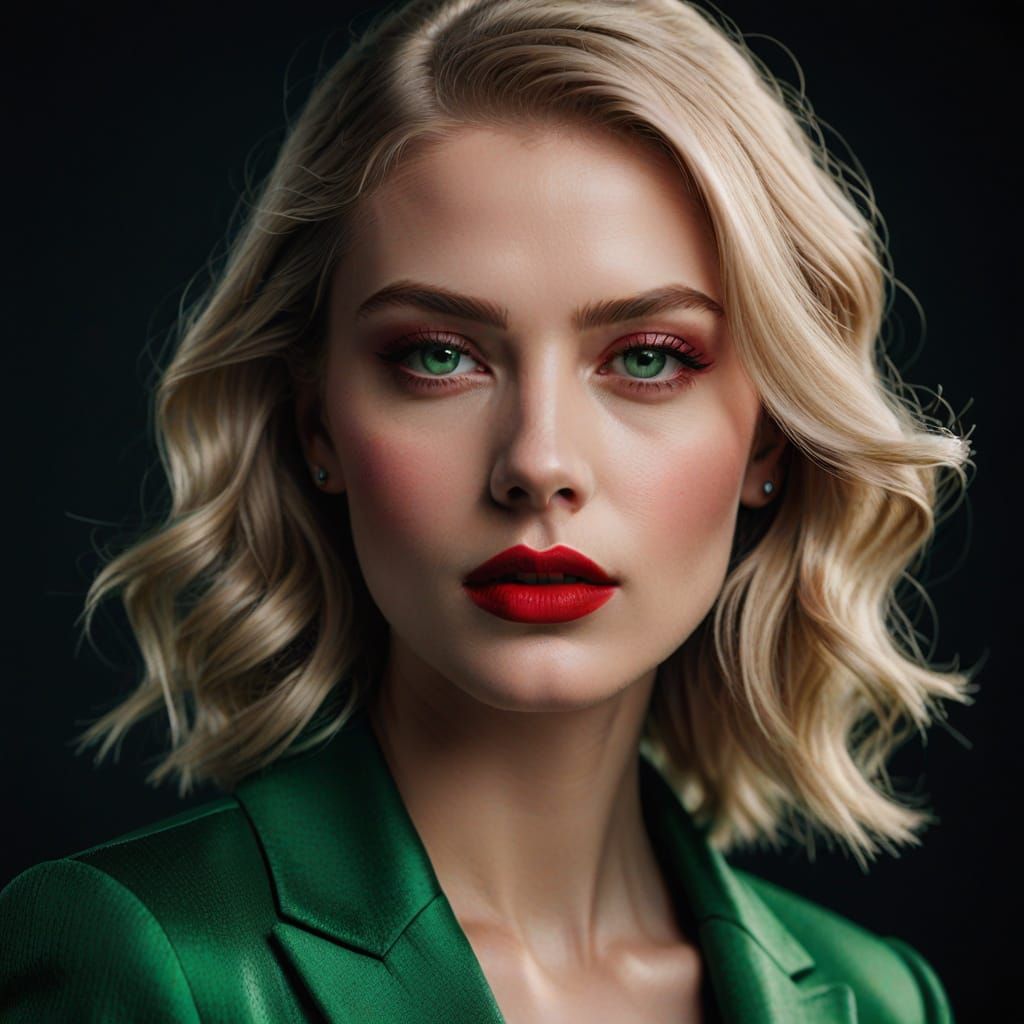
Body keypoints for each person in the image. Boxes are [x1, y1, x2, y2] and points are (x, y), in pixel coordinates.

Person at [0, 0, 973, 1020]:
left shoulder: (883, 999)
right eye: (438, 355)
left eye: (647, 357)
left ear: (766, 439)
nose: (537, 462)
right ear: (317, 424)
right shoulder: (141, 961)